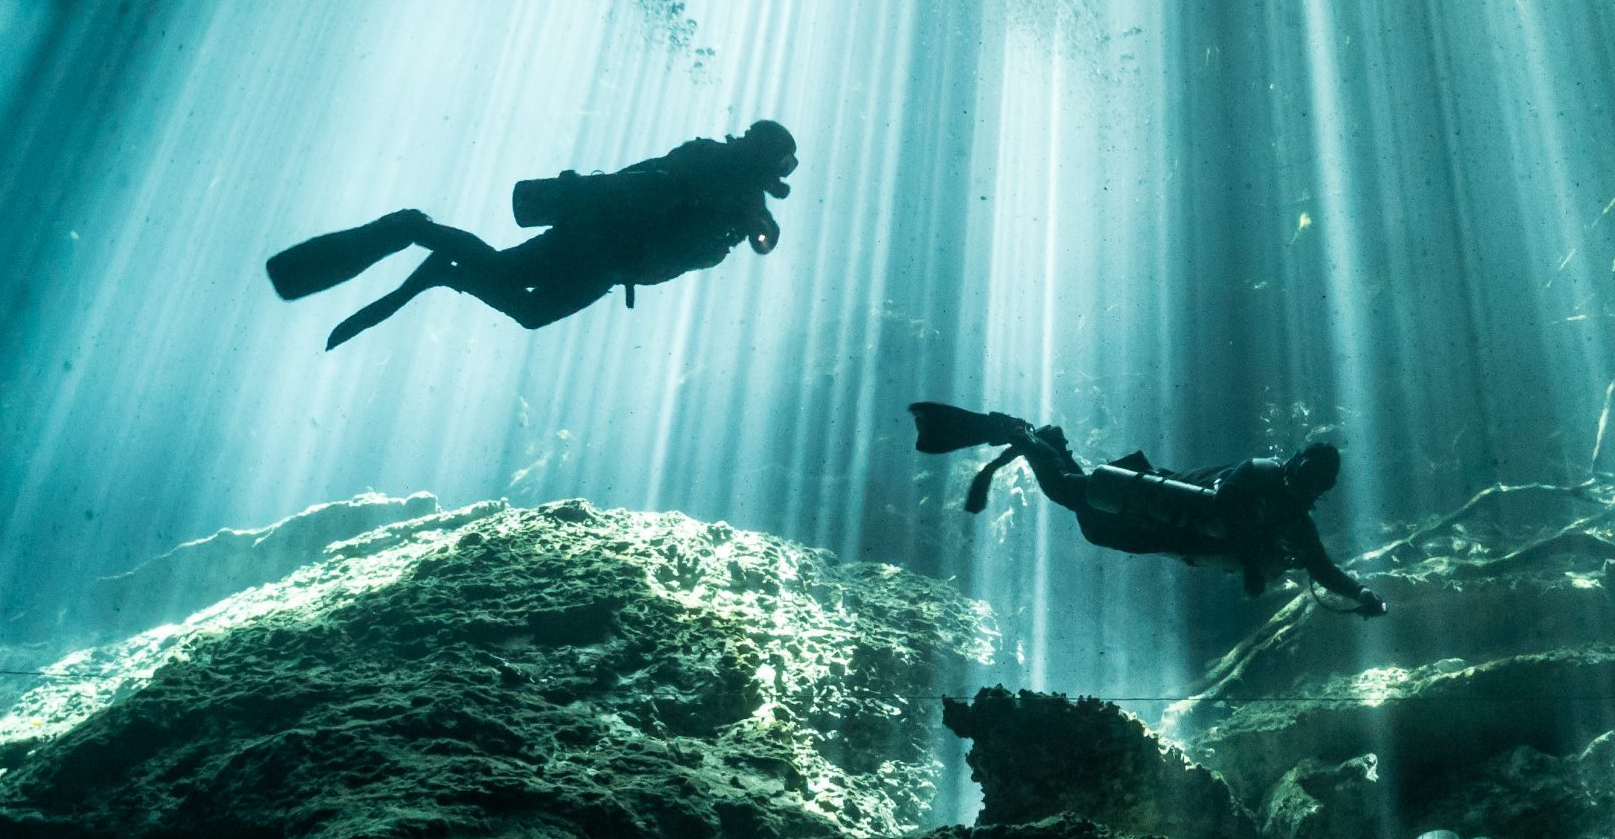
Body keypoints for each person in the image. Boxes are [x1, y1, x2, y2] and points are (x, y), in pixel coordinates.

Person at [265, 122, 797, 348]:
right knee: (517, 293)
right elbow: (679, 192)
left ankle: (432, 260)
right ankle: (416, 235)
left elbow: (761, 234)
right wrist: (752, 219)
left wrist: (758, 224)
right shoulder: (717, 171)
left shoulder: (737, 195)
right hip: (601, 249)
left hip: (609, 257)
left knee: (520, 298)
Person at [910, 402, 1388, 615]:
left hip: (1149, 530)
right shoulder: (1262, 472)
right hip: (1145, 502)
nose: (1310, 489)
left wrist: (1361, 593)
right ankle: (1021, 433)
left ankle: (1047, 440)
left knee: (1082, 509)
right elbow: (1226, 506)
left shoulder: (1293, 521)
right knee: (1063, 492)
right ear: (1297, 467)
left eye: (1320, 484)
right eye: (1310, 477)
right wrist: (1251, 564)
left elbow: (1323, 570)